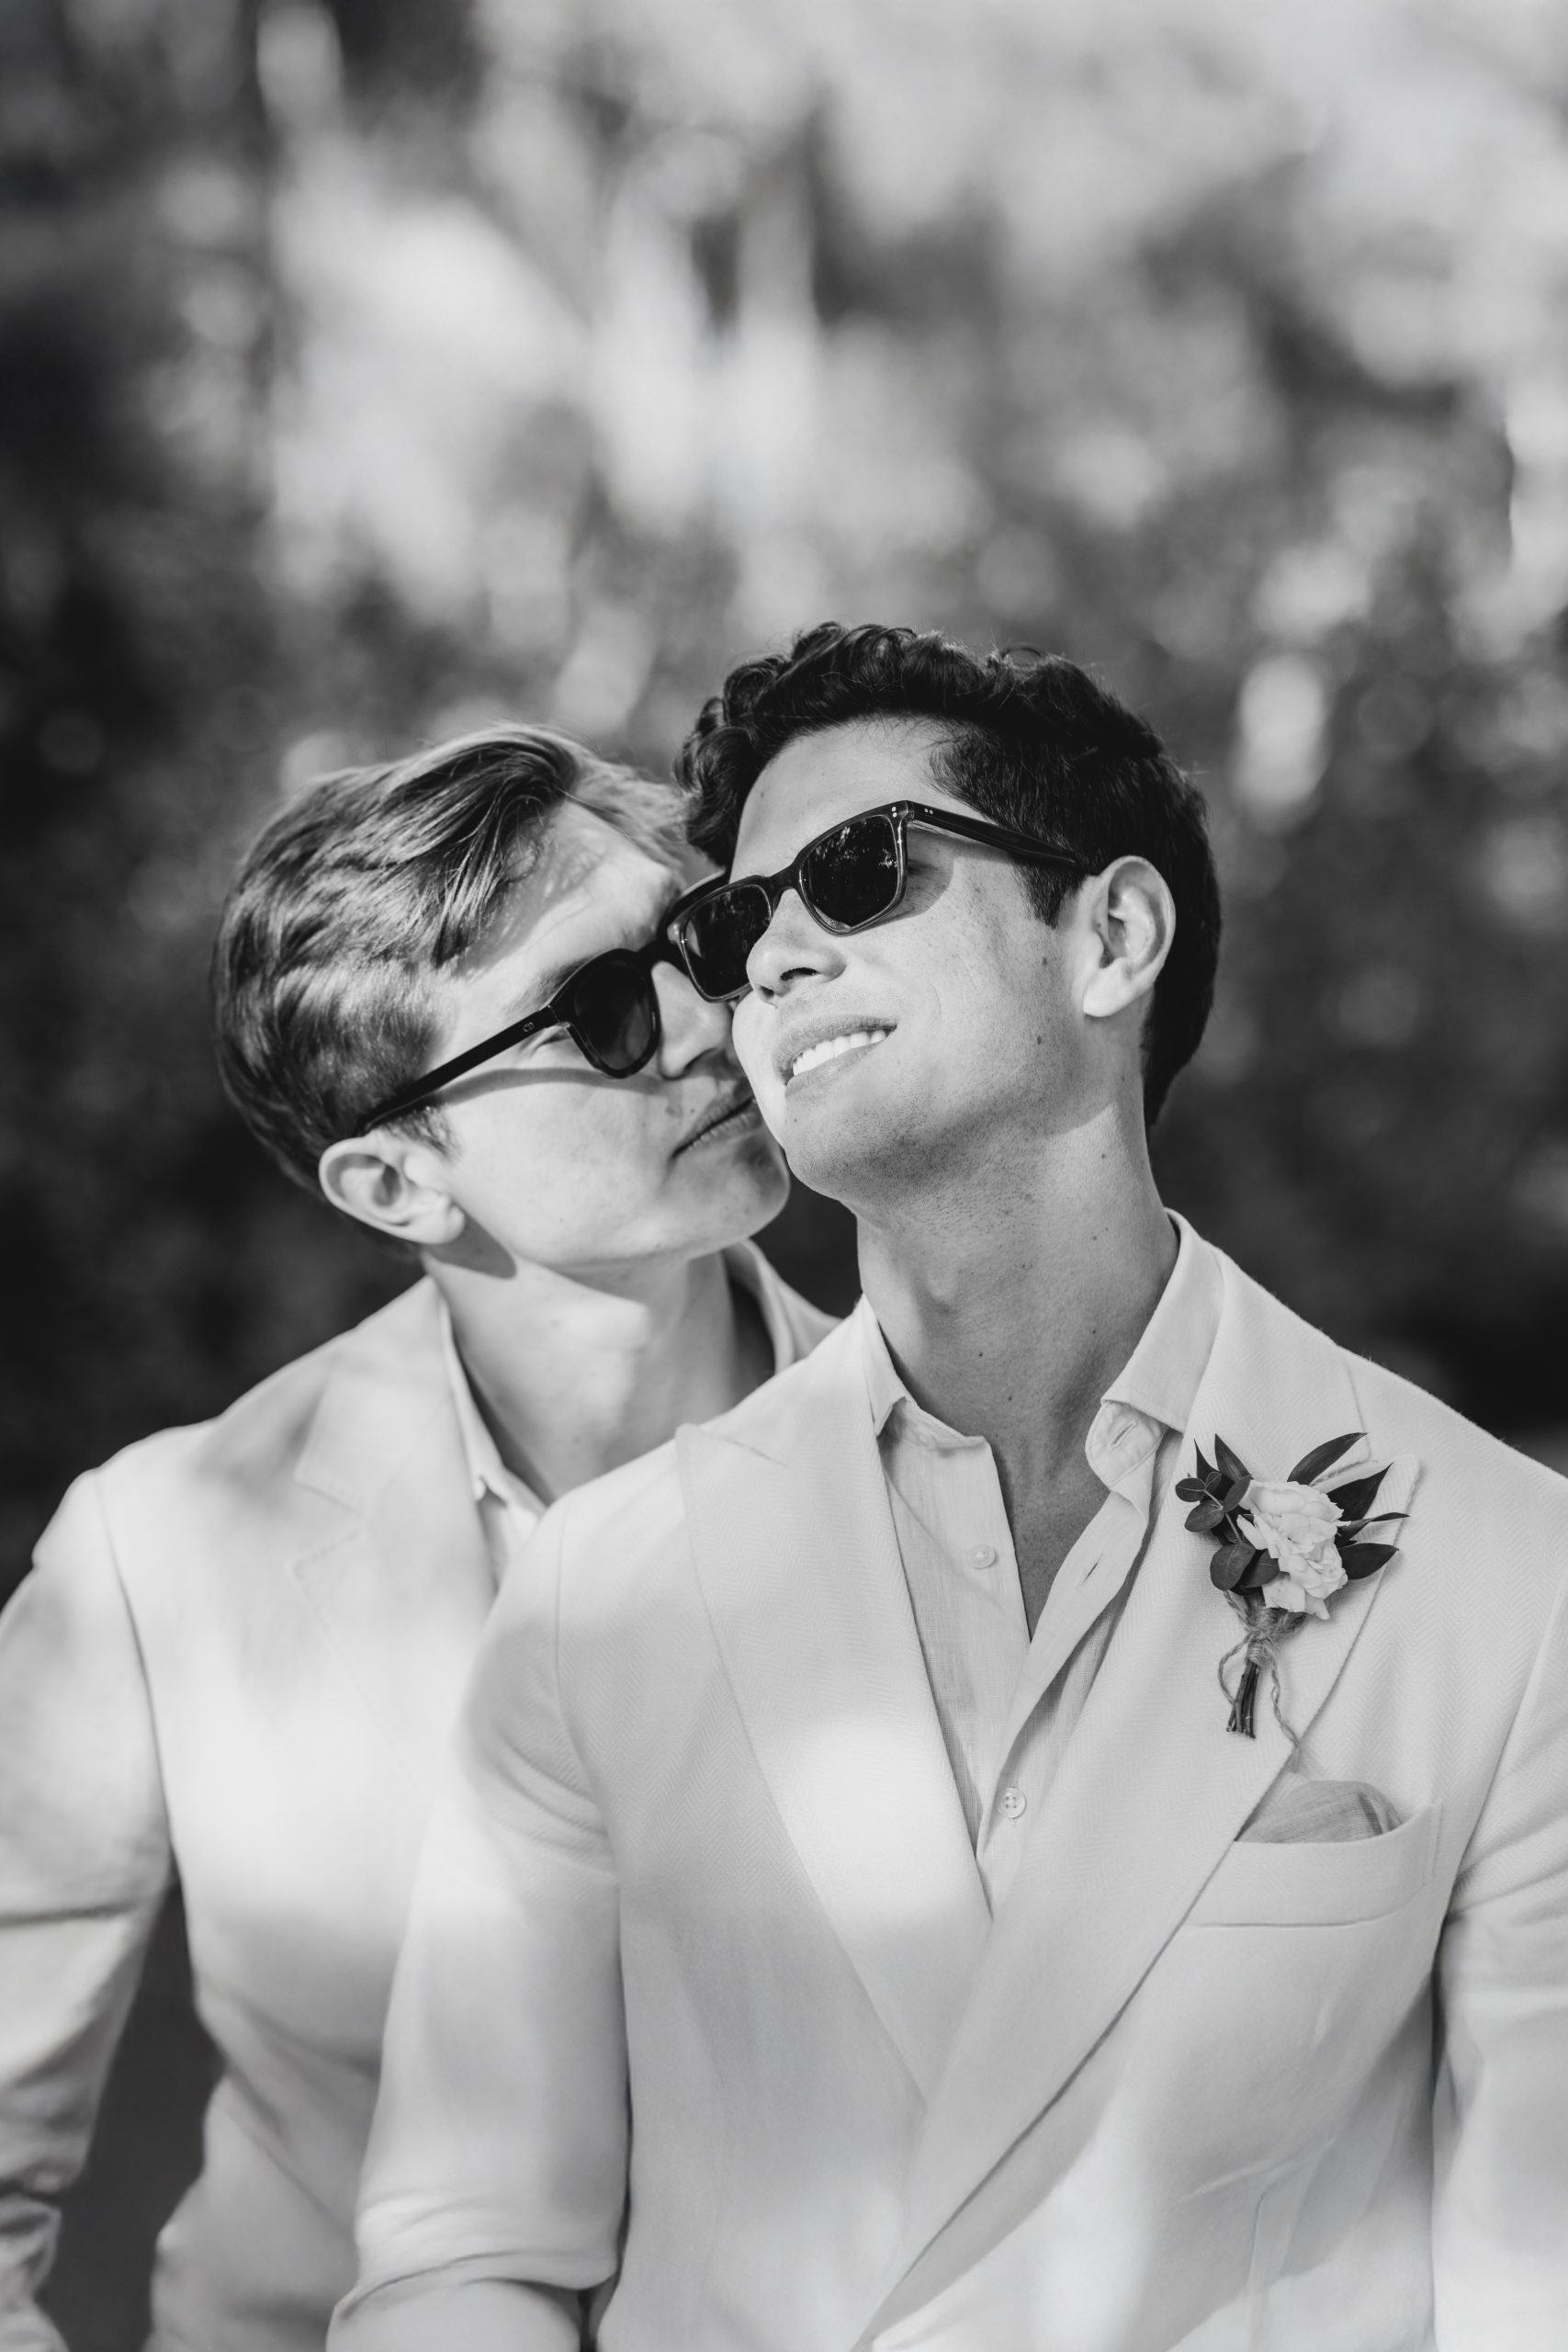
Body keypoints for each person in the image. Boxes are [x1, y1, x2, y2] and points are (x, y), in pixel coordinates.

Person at [336, 627, 1568, 2352]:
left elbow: (1539, 2284)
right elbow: (466, 2257)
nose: (764, 961)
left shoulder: (1511, 1574)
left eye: (857, 873)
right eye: (729, 921)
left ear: (1111, 938)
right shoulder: (601, 1591)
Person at [0, 723, 832, 2352]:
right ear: (395, 1186)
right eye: (598, 1011)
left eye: (696, 941)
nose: (703, 1025)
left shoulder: (983, 1459)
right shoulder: (156, 1558)